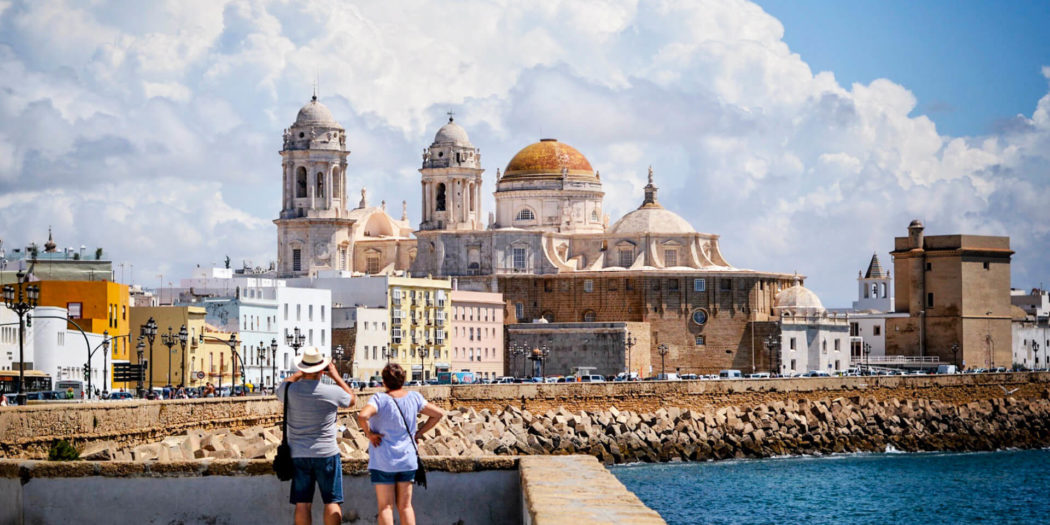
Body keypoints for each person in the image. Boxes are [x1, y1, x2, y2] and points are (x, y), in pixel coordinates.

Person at [356, 364, 445, 525]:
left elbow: (362, 416)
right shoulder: (414, 398)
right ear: (403, 380)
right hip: (407, 459)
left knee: (385, 507)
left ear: (384, 381)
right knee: (405, 506)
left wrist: (370, 434)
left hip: (383, 460)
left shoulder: (379, 399)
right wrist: (419, 433)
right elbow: (438, 414)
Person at [277, 348, 356, 525]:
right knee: (332, 501)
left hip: (298, 454)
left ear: (303, 368)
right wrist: (335, 375)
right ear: (322, 369)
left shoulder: (289, 390)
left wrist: (300, 373)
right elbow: (352, 399)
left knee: (302, 504)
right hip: (327, 453)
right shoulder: (332, 392)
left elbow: (282, 385)